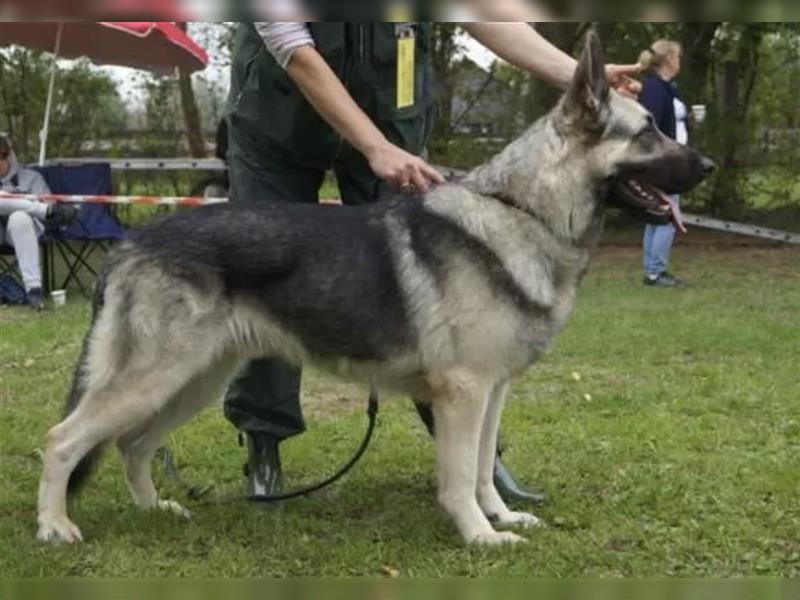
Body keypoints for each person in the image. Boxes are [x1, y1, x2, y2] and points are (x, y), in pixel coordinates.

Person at [223, 17, 642, 502]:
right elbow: (294, 48)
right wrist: (372, 147)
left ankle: (475, 470)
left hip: (392, 114)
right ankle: (264, 442)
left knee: (441, 293)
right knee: (263, 282)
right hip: (277, 120)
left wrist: (579, 76)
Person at [0, 134, 76, 310]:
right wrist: (45, 210)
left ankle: (34, 290)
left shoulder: (32, 178)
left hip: (24, 232)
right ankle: (43, 212)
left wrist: (44, 208)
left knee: (20, 218)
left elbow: (51, 203)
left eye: (1, 159)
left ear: (9, 156)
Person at [638, 40, 688, 288]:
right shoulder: (655, 89)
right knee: (669, 215)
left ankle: (652, 271)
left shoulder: (669, 88)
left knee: (658, 216)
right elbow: (651, 125)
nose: (680, 61)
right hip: (665, 162)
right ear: (668, 58)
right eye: (677, 56)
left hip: (675, 158)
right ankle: (656, 272)